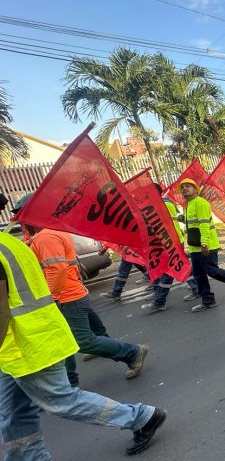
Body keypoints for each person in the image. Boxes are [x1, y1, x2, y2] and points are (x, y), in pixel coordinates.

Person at [0, 217, 166, 458]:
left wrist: (56, 297)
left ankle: (141, 416)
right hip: (22, 341)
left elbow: (3, 310)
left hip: (28, 342)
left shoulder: (36, 239)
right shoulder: (12, 243)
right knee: (14, 411)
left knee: (62, 397)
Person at [12, 195, 148, 387]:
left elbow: (56, 269)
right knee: (66, 340)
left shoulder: (46, 237)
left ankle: (132, 352)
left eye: (22, 215)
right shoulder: (44, 235)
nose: (20, 220)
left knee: (82, 341)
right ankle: (69, 382)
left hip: (67, 298)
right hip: (72, 294)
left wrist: (52, 297)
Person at [180, 178, 225, 313]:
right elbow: (194, 223)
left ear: (196, 190)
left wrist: (204, 244)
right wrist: (181, 218)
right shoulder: (189, 205)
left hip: (206, 246)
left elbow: (204, 225)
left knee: (212, 271)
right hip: (194, 247)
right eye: (182, 187)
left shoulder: (201, 203)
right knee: (199, 275)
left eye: (188, 186)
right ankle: (208, 301)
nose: (184, 189)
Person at [141, 184, 199, 312]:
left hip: (172, 240)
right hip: (168, 240)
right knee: (178, 266)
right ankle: (196, 288)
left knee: (171, 269)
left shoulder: (164, 204)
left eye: (147, 192)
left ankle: (159, 300)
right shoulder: (161, 203)